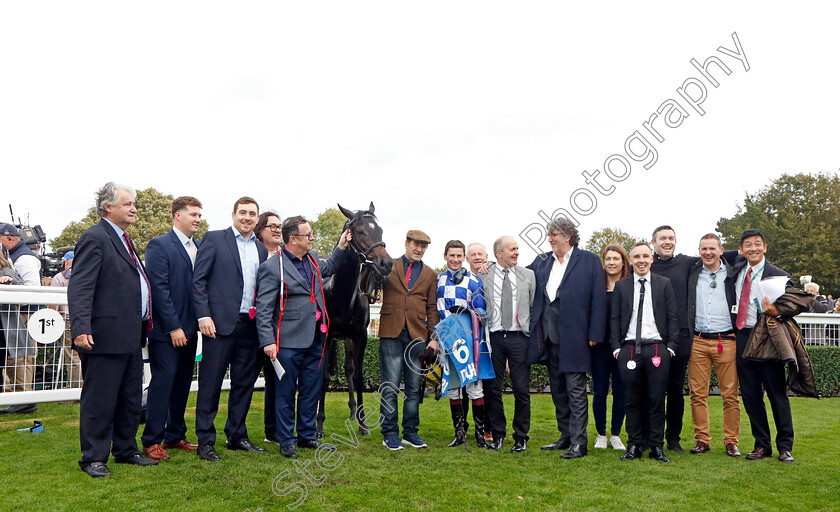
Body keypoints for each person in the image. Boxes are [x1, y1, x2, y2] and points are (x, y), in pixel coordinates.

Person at [68, 182, 158, 477]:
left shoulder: (123, 239)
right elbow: (80, 286)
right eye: (127, 204)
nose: (134, 208)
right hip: (103, 337)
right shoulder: (95, 237)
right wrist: (80, 327)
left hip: (130, 335)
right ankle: (93, 458)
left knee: (130, 398)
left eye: (134, 204)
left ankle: (126, 449)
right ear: (108, 207)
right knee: (100, 400)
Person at [256, 216, 351, 459]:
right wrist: (268, 341)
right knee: (285, 393)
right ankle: (286, 440)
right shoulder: (271, 267)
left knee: (311, 390)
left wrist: (340, 247)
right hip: (286, 342)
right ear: (292, 239)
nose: (312, 238)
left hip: (316, 339)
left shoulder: (312, 260)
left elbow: (329, 268)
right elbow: (264, 308)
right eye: (308, 235)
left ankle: (307, 436)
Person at [192, 196, 269, 462]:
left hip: (250, 327)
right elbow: (198, 281)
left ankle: (236, 435)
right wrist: (203, 315)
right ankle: (205, 441)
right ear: (233, 214)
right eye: (243, 212)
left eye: (252, 214)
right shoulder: (214, 239)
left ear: (257, 219)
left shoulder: (260, 249)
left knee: (244, 385)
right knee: (210, 385)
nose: (247, 217)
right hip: (218, 325)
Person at [529, 217, 607, 459]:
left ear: (568, 236)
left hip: (577, 337)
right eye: (549, 234)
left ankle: (579, 442)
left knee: (575, 390)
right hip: (548, 337)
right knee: (558, 391)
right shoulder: (541, 261)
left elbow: (598, 298)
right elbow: (520, 276)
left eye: (554, 234)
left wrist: (595, 333)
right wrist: (491, 264)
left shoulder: (590, 260)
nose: (550, 238)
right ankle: (564, 436)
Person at [140, 196, 203, 461]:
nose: (198, 218)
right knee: (162, 384)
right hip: (167, 332)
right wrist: (174, 327)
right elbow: (159, 289)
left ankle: (175, 435)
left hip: (191, 330)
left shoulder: (198, 246)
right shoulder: (159, 245)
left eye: (200, 214)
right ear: (178, 215)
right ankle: (151, 440)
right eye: (193, 214)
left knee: (181, 385)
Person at [728, 229, 796, 462]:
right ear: (741, 249)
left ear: (765, 247)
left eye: (757, 244)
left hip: (768, 339)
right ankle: (762, 445)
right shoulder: (736, 269)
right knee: (750, 395)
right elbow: (714, 253)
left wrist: (775, 311)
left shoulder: (778, 276)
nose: (753, 248)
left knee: (777, 394)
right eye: (748, 245)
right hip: (742, 337)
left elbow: (793, 306)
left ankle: (785, 446)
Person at [611, 242, 678, 463]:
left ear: (651, 259)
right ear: (630, 260)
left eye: (645, 256)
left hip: (657, 347)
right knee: (632, 400)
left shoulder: (664, 284)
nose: (641, 260)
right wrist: (616, 349)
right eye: (636, 256)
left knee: (656, 399)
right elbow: (615, 320)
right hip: (629, 348)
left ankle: (657, 447)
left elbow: (672, 317)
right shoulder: (622, 286)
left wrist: (670, 348)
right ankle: (634, 445)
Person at [377, 230, 439, 451]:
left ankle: (410, 433)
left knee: (413, 389)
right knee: (390, 386)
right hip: (390, 333)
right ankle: (390, 433)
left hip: (418, 337)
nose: (419, 249)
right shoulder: (388, 266)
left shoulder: (431, 275)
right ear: (406, 243)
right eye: (416, 245)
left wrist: (433, 339)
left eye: (424, 246)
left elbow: (432, 308)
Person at [478, 236, 536, 453]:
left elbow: (532, 306)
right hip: (494, 338)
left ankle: (521, 437)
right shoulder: (484, 275)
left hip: (520, 337)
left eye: (517, 248)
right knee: (493, 389)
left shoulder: (528, 276)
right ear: (499, 253)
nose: (517, 252)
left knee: (522, 390)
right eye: (512, 249)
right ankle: (498, 435)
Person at [686, 234, 741, 457]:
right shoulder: (692, 272)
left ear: (721, 250)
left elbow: (743, 253)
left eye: (712, 248)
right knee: (697, 394)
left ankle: (731, 441)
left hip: (726, 340)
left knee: (730, 395)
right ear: (698, 250)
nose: (708, 252)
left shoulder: (733, 272)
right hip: (698, 341)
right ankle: (702, 439)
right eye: (703, 248)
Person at [436, 239, 489, 448]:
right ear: (445, 257)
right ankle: (459, 434)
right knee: (454, 389)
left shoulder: (473, 281)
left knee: (475, 388)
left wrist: (467, 316)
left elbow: (482, 310)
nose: (456, 259)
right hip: (447, 341)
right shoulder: (439, 280)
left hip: (469, 341)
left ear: (464, 257)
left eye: (459, 255)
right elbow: (436, 310)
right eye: (452, 255)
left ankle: (480, 436)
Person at [591, 244, 628, 451]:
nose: (611, 263)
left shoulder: (629, 286)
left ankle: (615, 434)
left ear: (623, 262)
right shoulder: (597, 286)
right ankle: (601, 434)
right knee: (600, 391)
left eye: (616, 259)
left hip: (622, 347)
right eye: (608, 259)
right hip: (599, 346)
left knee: (621, 391)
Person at [0, 223, 40, 413]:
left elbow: (30, 290)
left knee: (22, 357)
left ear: (8, 238)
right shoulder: (17, 256)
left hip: (22, 314)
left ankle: (25, 398)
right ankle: (19, 397)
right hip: (15, 314)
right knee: (15, 357)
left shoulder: (24, 258)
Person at [253, 210, 282, 445]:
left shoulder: (287, 257)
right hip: (250, 327)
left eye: (279, 226)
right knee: (244, 382)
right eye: (271, 226)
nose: (277, 229)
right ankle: (236, 431)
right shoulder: (254, 254)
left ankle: (272, 430)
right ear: (260, 229)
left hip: (277, 329)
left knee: (276, 381)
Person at [49, 251, 82, 388]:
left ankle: (76, 389)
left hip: (68, 320)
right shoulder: (89, 274)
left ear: (68, 261)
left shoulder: (60, 277)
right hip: (88, 319)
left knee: (72, 356)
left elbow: (53, 304)